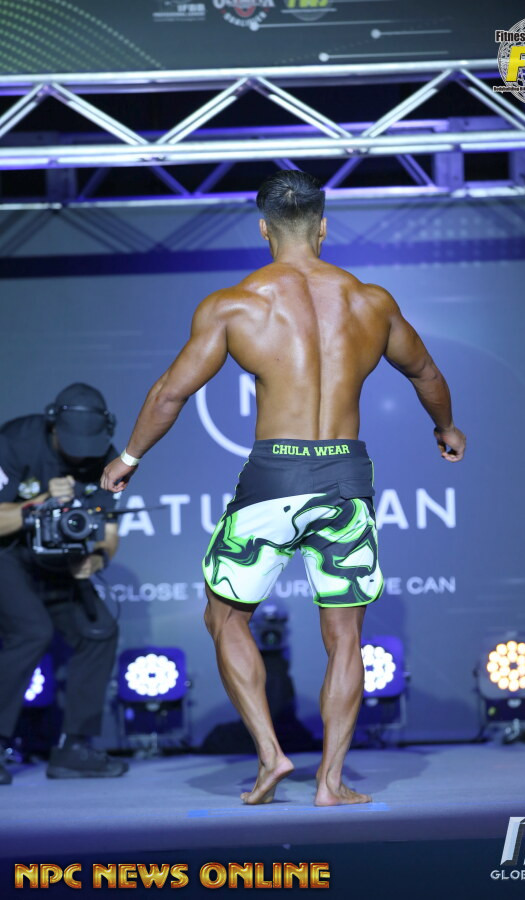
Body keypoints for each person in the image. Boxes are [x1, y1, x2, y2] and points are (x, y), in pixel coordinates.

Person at [101, 170, 466, 806]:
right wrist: (446, 427)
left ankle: (271, 755)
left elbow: (169, 394)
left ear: (263, 229)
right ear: (323, 227)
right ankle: (330, 781)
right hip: (345, 477)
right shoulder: (371, 302)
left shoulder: (235, 305)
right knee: (346, 637)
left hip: (274, 476)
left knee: (224, 616)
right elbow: (427, 373)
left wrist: (129, 457)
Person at [0, 383, 128, 784]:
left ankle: (74, 747)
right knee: (31, 631)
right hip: (8, 556)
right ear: (52, 425)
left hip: (61, 563)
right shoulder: (16, 442)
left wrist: (97, 559)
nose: (79, 454)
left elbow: (109, 531)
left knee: (100, 630)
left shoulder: (107, 459)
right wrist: (39, 503)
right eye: (72, 444)